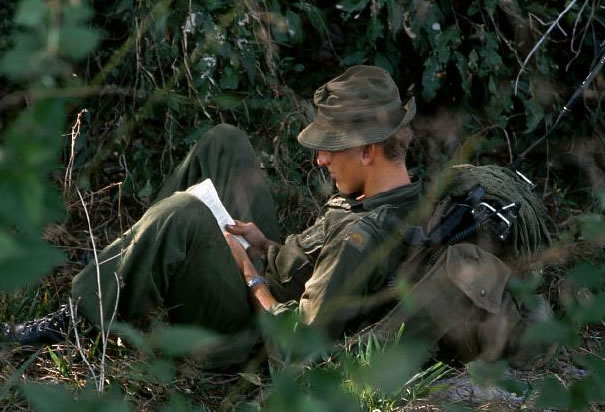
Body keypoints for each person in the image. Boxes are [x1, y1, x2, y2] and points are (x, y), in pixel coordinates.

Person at [1, 66, 553, 368]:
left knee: (184, 214)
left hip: (254, 332)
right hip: (281, 273)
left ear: (368, 150)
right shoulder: (391, 194)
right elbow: (310, 255)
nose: (318, 158)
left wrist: (251, 274)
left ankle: (79, 318)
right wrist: (266, 243)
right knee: (224, 144)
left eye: (330, 147)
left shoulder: (365, 234)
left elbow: (294, 350)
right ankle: (133, 280)